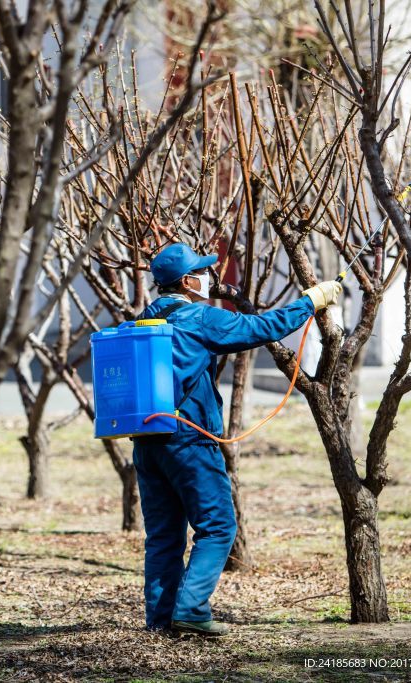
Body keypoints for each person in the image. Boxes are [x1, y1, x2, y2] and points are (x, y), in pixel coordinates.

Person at [133, 243, 342, 637]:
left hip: (147, 440)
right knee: (218, 526)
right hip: (190, 440)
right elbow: (258, 329)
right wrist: (309, 303)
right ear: (187, 281)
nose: (210, 278)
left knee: (163, 536)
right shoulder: (197, 317)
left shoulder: (146, 319)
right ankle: (191, 609)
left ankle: (160, 621)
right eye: (202, 272)